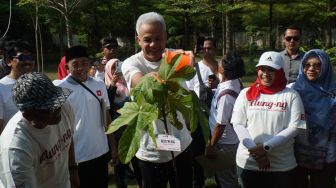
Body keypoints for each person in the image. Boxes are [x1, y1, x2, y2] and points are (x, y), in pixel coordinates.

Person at [122, 12, 194, 188]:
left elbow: (186, 91)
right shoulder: (131, 63)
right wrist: (154, 79)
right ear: (138, 39)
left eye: (158, 38)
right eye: (147, 39)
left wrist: (187, 62)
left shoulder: (177, 58)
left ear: (166, 37)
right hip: (150, 151)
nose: (153, 44)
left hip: (181, 146)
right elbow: (140, 80)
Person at [231, 51, 306, 188]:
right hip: (249, 162)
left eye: (271, 69)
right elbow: (238, 124)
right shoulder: (245, 93)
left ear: (280, 71)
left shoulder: (291, 95)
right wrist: (257, 152)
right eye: (262, 69)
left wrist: (265, 148)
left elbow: (296, 127)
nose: (265, 73)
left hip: (281, 165)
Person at [0, 72, 79, 188]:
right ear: (28, 115)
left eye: (57, 100)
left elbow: (68, 137)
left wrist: (73, 170)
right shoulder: (16, 149)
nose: (57, 108)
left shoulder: (64, 107)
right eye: (48, 107)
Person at [54, 45, 116, 188]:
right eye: (75, 64)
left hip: (101, 152)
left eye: (84, 63)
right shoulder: (59, 88)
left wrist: (113, 146)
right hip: (77, 157)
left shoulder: (99, 85)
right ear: (67, 67)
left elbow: (106, 116)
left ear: (89, 64)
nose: (81, 68)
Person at [292, 49, 336, 188]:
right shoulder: (293, 91)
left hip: (326, 156)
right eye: (307, 64)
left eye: (317, 65)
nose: (311, 69)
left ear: (325, 67)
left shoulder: (333, 93)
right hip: (296, 154)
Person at [205, 52, 245, 188]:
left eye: (221, 62)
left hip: (224, 143)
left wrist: (211, 145)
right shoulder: (234, 82)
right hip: (229, 140)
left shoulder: (227, 95)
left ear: (225, 69)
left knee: (226, 179)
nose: (219, 64)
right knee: (225, 176)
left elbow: (220, 125)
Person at [186, 36, 219, 188]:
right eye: (203, 48)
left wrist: (218, 83)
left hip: (219, 117)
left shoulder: (222, 67)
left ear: (215, 49)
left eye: (210, 48)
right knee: (197, 153)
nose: (207, 51)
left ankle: (221, 181)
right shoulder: (195, 69)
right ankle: (197, 182)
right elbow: (189, 93)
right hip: (200, 117)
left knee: (219, 151)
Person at [0, 39, 35, 134]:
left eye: (30, 57)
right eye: (22, 58)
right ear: (9, 61)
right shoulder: (1, 88)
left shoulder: (38, 83)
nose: (28, 61)